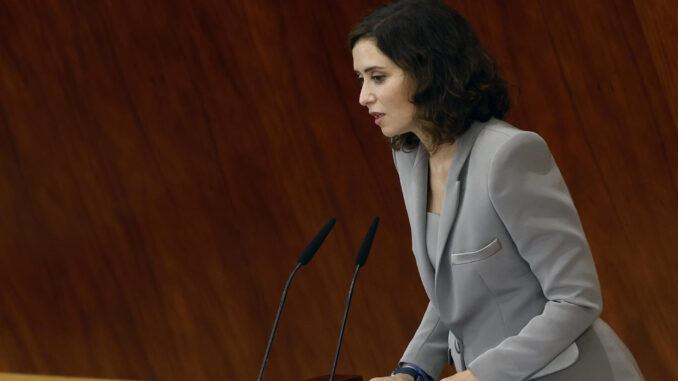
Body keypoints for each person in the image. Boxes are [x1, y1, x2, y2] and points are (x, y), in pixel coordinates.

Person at [349, 1, 645, 380]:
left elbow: (576, 299)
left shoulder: (507, 155)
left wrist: (476, 376)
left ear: (427, 73)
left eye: (377, 77)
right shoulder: (411, 159)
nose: (363, 97)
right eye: (361, 79)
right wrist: (412, 371)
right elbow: (452, 290)